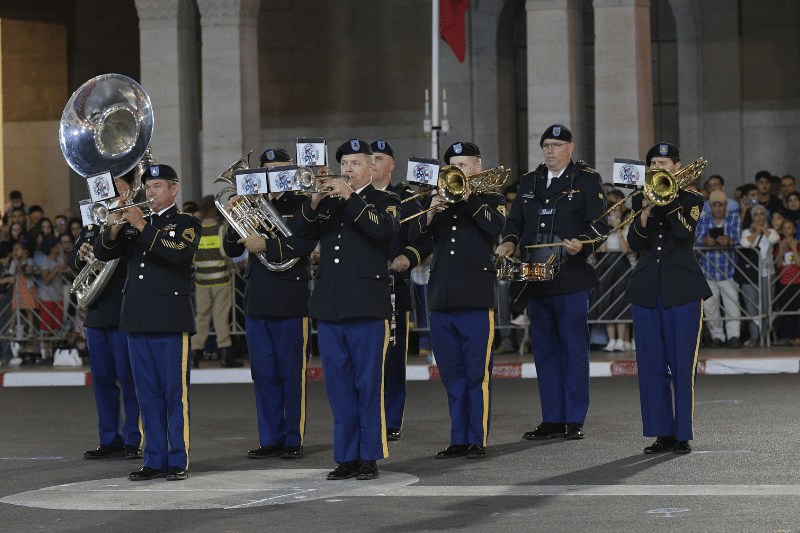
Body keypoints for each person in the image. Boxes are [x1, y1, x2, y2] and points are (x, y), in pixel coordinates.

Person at [295, 139, 400, 481]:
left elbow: (382, 230)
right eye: (344, 164)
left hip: (368, 308)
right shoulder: (328, 204)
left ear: (372, 167)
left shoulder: (386, 201)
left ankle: (369, 455)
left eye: (356, 163)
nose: (348, 169)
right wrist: (313, 202)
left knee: (368, 385)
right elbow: (300, 236)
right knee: (338, 388)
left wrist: (350, 195)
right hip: (330, 308)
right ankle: (346, 456)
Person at [495, 125, 606, 441]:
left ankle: (574, 418)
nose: (549, 150)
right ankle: (553, 418)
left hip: (570, 275)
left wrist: (583, 244)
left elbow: (600, 225)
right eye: (545, 145)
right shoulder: (530, 181)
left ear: (571, 148)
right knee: (544, 350)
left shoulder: (586, 180)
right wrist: (508, 243)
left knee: (573, 348)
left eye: (556, 145)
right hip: (535, 276)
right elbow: (515, 222)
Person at [93, 164, 201, 481]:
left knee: (174, 395)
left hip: (170, 318)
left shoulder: (186, 223)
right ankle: (154, 459)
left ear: (173, 190)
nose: (150, 193)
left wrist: (142, 227)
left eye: (156, 186)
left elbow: (179, 254)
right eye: (148, 187)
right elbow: (102, 253)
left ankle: (177, 459)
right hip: (137, 319)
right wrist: (113, 226)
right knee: (147, 395)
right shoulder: (135, 224)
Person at [407, 141, 504, 459]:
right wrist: (433, 207)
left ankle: (477, 438)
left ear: (478, 167)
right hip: (442, 296)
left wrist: (470, 199)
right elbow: (415, 237)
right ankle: (459, 438)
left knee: (477, 374)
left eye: (465, 165)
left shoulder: (491, 198)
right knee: (451, 374)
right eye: (453, 166)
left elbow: (495, 227)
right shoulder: (435, 200)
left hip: (476, 295)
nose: (459, 171)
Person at [223, 147, 317, 460]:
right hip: (258, 299)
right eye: (270, 167)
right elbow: (228, 247)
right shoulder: (251, 202)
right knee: (263, 375)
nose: (276, 172)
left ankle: (292, 439)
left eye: (282, 167)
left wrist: (267, 244)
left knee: (292, 374)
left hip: (291, 298)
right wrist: (234, 214)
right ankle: (270, 439)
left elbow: (305, 243)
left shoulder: (302, 203)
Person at [626, 142, 712, 455]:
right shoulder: (639, 198)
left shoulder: (692, 199)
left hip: (683, 288)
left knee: (681, 365)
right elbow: (635, 242)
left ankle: (682, 434)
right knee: (650, 366)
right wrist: (646, 210)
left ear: (677, 167)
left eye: (664, 163)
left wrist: (668, 198)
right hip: (647, 287)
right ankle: (661, 433)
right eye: (653, 164)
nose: (658, 168)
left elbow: (683, 234)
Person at [69, 173, 143, 461]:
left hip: (124, 310)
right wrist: (83, 253)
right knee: (101, 379)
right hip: (97, 313)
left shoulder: (133, 223)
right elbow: (73, 261)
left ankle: (133, 440)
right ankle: (110, 439)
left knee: (129, 379)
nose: (112, 196)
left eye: (119, 190)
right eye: (110, 191)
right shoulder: (92, 224)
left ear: (129, 191)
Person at [370, 139, 432, 442]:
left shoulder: (406, 198)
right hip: (361, 287)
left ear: (391, 165)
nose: (372, 163)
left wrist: (409, 256)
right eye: (369, 158)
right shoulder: (357, 196)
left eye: (378, 158)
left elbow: (423, 238)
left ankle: (391, 419)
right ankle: (369, 417)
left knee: (393, 359)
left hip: (394, 287)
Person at [190, 195, 241, 368]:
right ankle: (225, 354)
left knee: (201, 317)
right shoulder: (222, 230)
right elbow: (228, 253)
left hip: (201, 281)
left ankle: (195, 354)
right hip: (221, 280)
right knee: (220, 316)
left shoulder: (194, 232)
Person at [696, 190, 743, 348]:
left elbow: (737, 238)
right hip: (708, 271)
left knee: (733, 306)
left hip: (729, 270)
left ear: (725, 205)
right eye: (714, 205)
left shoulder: (734, 217)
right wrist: (705, 241)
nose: (717, 208)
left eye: (720, 205)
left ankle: (734, 336)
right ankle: (718, 337)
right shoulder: (703, 219)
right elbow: (697, 240)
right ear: (710, 206)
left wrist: (728, 241)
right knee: (710, 308)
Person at [594, 189, 632, 352]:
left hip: (621, 266)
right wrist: (607, 229)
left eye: (618, 211)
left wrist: (618, 230)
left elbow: (625, 250)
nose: (615, 214)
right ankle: (612, 340)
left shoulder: (625, 230)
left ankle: (622, 340)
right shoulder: (602, 230)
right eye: (612, 211)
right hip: (605, 266)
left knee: (621, 302)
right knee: (607, 302)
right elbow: (602, 250)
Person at [737, 204, 779, 347]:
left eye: (762, 214)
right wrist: (756, 232)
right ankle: (754, 337)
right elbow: (745, 244)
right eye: (756, 214)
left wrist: (763, 230)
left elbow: (774, 239)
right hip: (750, 275)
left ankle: (766, 336)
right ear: (752, 217)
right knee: (751, 306)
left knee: (767, 306)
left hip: (768, 274)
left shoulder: (771, 231)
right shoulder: (746, 232)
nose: (759, 217)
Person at [774, 219, 800, 346]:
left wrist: (794, 247)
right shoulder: (780, 245)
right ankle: (788, 336)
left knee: (797, 310)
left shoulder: (798, 244)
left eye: (789, 228)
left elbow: (798, 263)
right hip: (784, 282)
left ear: (794, 230)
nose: (787, 230)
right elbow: (778, 264)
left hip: (797, 282)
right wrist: (782, 249)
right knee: (786, 310)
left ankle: (798, 336)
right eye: (784, 228)